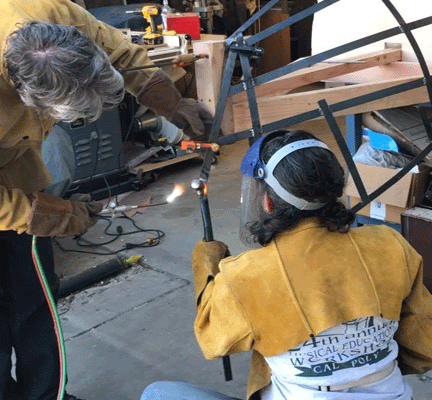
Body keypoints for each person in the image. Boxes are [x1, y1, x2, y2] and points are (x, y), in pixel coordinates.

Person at [0, 1, 214, 399]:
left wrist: (172, 103)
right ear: (27, 98)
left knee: (34, 300)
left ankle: (47, 396)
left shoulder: (49, 13)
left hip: (15, 165)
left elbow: (122, 52)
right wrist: (48, 216)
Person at [140, 129, 432, 400]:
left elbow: (213, 342)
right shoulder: (389, 245)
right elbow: (422, 345)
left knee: (158, 393)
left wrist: (207, 266)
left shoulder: (245, 275)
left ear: (267, 203)